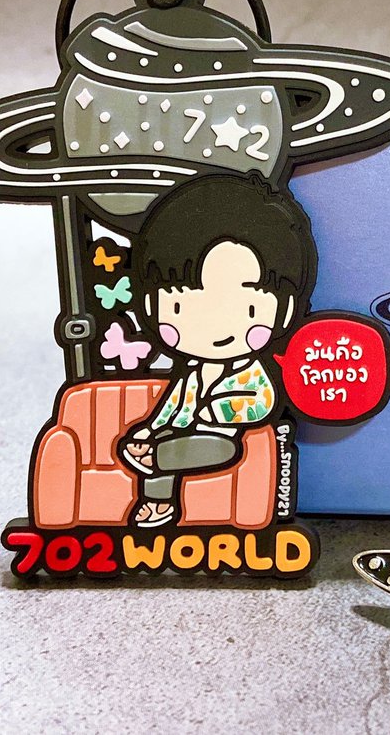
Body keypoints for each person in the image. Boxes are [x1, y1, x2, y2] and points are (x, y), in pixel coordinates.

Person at [120, 174, 317, 527]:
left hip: (221, 439)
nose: (218, 328)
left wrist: (214, 411)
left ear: (285, 311)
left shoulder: (252, 372)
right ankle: (158, 502)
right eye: (180, 308)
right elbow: (170, 406)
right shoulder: (191, 374)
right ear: (151, 305)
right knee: (162, 442)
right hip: (183, 435)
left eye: (248, 309)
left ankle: (155, 463)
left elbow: (261, 403)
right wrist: (148, 430)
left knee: (173, 450)